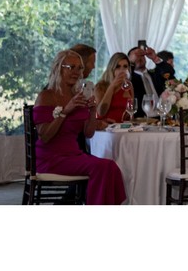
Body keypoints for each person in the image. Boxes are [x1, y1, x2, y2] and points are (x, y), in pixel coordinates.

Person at [33, 49, 126, 205]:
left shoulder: (79, 95)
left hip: (74, 155)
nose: (76, 72)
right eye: (71, 67)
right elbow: (45, 136)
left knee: (111, 167)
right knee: (102, 167)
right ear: (59, 68)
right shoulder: (46, 96)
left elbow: (88, 134)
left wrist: (92, 111)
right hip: (51, 158)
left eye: (80, 68)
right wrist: (65, 112)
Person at [94, 52, 136, 124]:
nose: (122, 70)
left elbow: (131, 112)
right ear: (112, 68)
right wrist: (112, 86)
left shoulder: (129, 86)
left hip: (122, 127)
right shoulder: (100, 86)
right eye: (118, 67)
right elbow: (101, 112)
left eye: (125, 66)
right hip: (106, 128)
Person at [129, 45, 161, 117]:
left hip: (160, 117)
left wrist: (155, 58)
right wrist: (131, 63)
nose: (138, 58)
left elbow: (169, 72)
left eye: (141, 55)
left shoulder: (155, 75)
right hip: (140, 119)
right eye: (135, 56)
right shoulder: (130, 79)